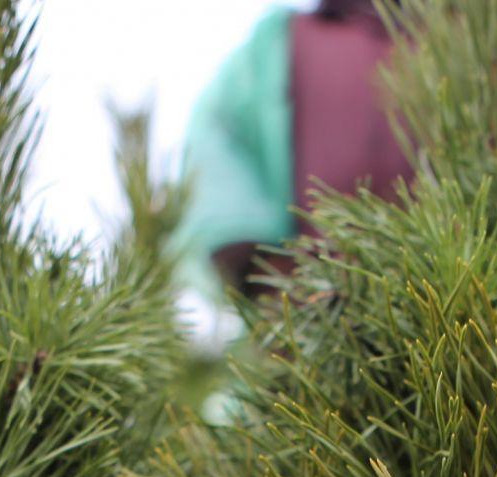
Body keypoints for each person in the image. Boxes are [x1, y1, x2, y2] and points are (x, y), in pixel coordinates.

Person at [176, 0, 413, 296]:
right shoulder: (279, 43)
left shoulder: (462, 38)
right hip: (308, 303)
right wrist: (259, 262)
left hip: (450, 301)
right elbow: (217, 140)